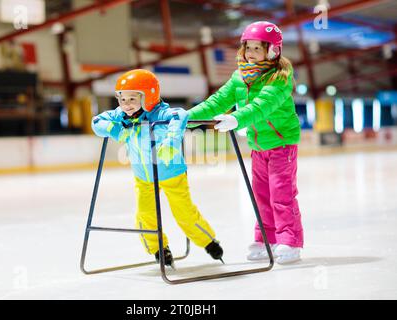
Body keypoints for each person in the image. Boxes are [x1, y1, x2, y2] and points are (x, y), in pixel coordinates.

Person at [188, 21, 304, 264]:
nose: (250, 53)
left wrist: (236, 119)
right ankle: (266, 239)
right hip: (258, 146)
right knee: (261, 195)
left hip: (282, 144)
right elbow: (218, 100)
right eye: (248, 47)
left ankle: (289, 242)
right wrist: (188, 117)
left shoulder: (279, 78)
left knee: (281, 195)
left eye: (257, 48)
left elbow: (262, 107)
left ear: (273, 51)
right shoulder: (240, 77)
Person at [91, 69, 223, 267]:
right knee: (145, 215)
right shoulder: (122, 116)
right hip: (143, 178)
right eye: (122, 99)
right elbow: (96, 122)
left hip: (171, 174)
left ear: (148, 96)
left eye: (132, 99)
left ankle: (208, 241)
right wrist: (116, 129)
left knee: (184, 213)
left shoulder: (161, 113)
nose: (126, 105)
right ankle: (159, 248)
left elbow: (180, 115)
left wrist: (170, 143)